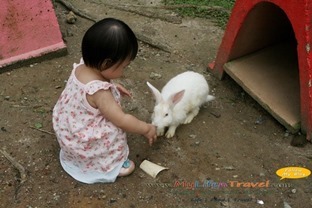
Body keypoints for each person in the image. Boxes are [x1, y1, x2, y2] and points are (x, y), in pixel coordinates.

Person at [52, 18, 157, 184]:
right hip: (83, 142)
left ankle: (75, 154)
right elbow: (122, 120)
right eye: (123, 66)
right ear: (106, 63)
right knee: (113, 129)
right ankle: (110, 164)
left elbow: (97, 80)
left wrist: (113, 86)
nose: (124, 71)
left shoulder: (82, 67)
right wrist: (146, 128)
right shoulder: (100, 93)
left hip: (69, 128)